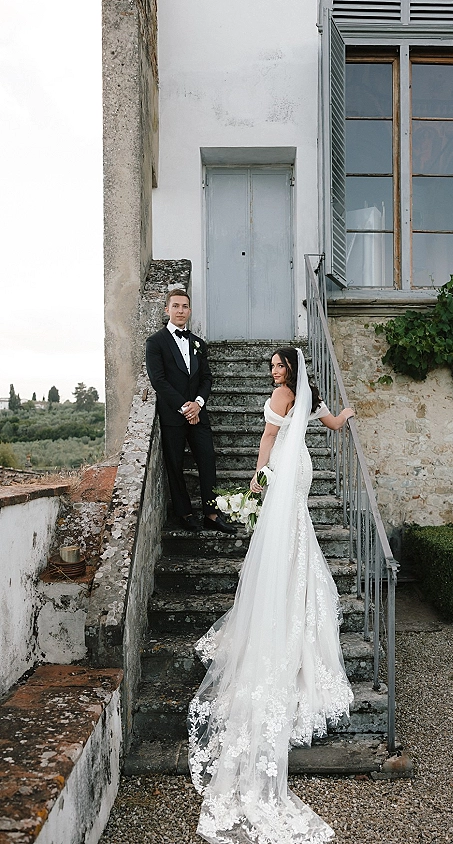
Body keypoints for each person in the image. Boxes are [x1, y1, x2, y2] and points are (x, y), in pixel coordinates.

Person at [188, 346, 355, 844]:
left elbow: (265, 437)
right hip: (301, 469)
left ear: (291, 371)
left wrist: (257, 479)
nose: (275, 374)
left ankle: (280, 605)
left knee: (282, 538)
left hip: (286, 470)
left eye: (279, 366)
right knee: (296, 537)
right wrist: (345, 414)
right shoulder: (307, 397)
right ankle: (294, 600)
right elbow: (331, 425)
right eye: (272, 369)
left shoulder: (282, 397)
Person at [145, 288, 235, 534]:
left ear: (189, 310)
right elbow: (159, 381)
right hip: (174, 415)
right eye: (176, 306)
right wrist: (185, 407)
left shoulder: (198, 343)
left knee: (207, 459)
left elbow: (206, 377)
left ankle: (211, 513)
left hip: (198, 413)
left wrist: (198, 404)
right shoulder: (155, 342)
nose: (180, 311)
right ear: (167, 310)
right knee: (174, 465)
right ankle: (184, 513)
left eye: (184, 306)